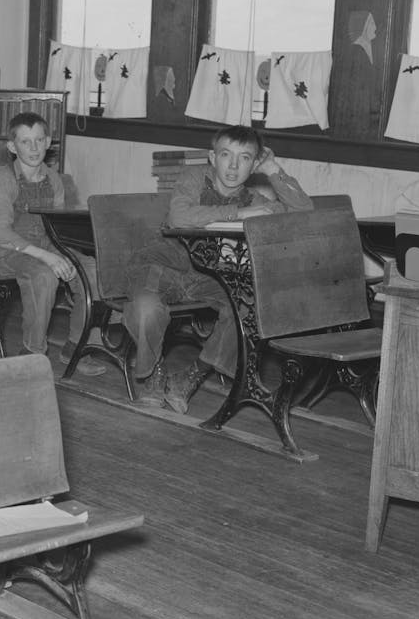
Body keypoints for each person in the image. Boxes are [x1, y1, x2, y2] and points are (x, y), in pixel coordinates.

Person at [124, 124, 313, 413]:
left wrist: (273, 169)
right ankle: (153, 373)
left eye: (244, 158)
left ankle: (190, 377)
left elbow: (303, 214)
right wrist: (240, 214)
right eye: (226, 155)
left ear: (254, 165)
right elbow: (179, 217)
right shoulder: (194, 178)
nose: (233, 166)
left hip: (208, 276)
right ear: (213, 157)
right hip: (161, 265)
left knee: (247, 309)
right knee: (146, 308)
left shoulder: (255, 199)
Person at [0, 112, 106, 375]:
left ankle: (76, 346)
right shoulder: (3, 180)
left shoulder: (54, 179)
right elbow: (1, 234)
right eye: (25, 142)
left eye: (39, 140)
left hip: (49, 245)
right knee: (44, 276)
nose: (33, 148)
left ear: (48, 142)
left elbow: (58, 227)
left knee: (91, 270)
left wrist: (64, 254)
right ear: (12, 147)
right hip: (10, 252)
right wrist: (49, 258)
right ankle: (33, 352)